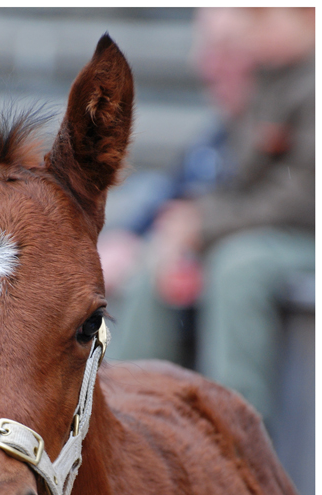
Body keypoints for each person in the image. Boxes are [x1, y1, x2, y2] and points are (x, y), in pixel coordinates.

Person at [108, 7, 315, 427]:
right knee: (157, 261)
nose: (250, 36)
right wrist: (181, 231)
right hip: (260, 228)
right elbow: (224, 177)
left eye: (262, 20)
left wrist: (204, 224)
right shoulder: (271, 81)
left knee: (239, 266)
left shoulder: (311, 84)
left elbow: (304, 197)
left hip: (302, 235)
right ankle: (125, 415)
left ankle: (234, 433)